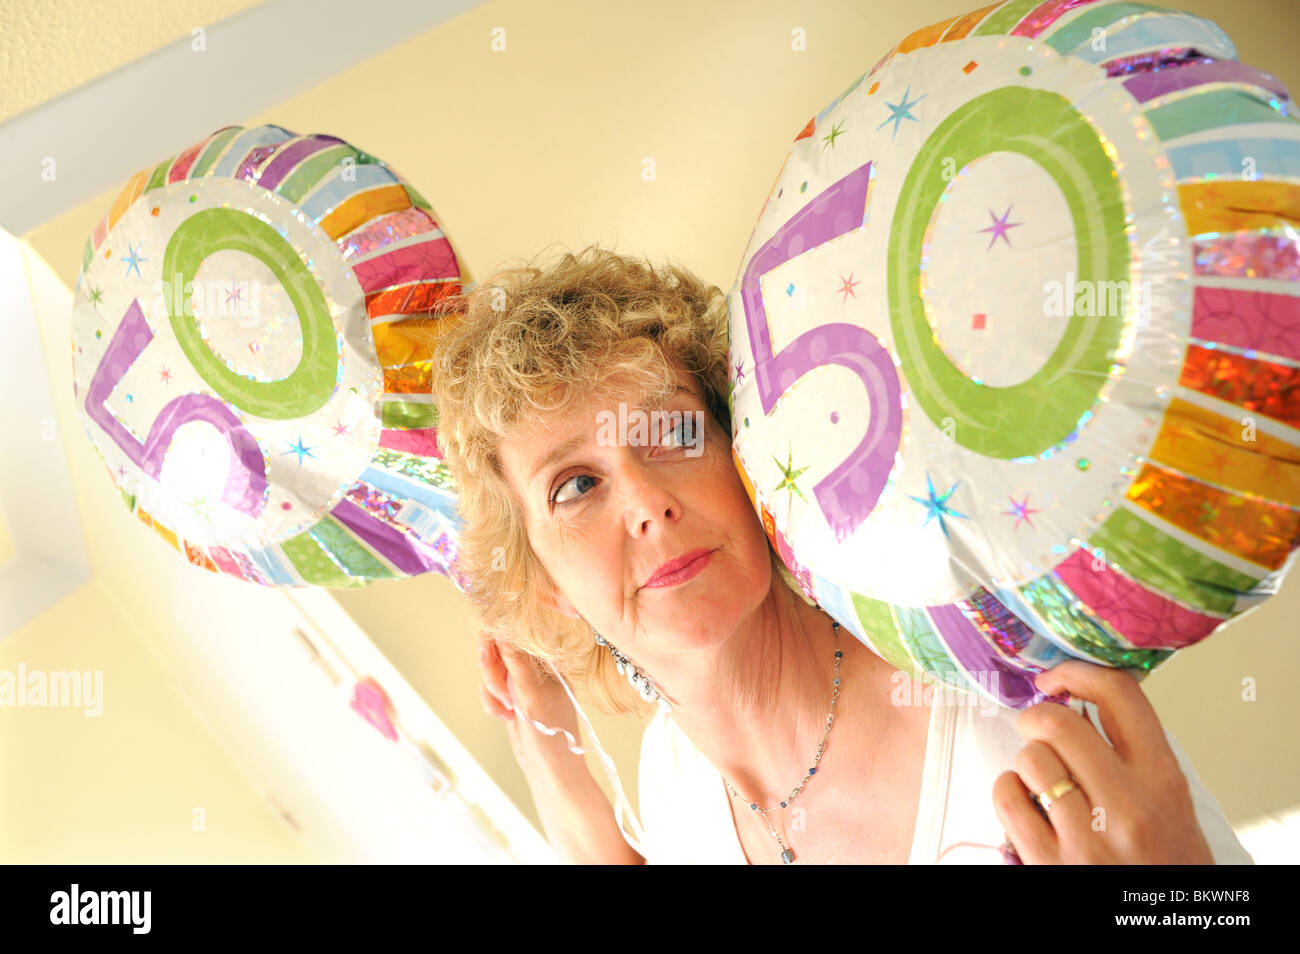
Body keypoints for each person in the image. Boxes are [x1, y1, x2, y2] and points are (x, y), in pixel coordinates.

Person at [427, 245, 1254, 865]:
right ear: (544, 591)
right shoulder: (674, 785)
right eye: (575, 485)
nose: (648, 503)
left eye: (674, 431)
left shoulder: (1007, 700)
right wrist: (550, 754)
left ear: (747, 452)